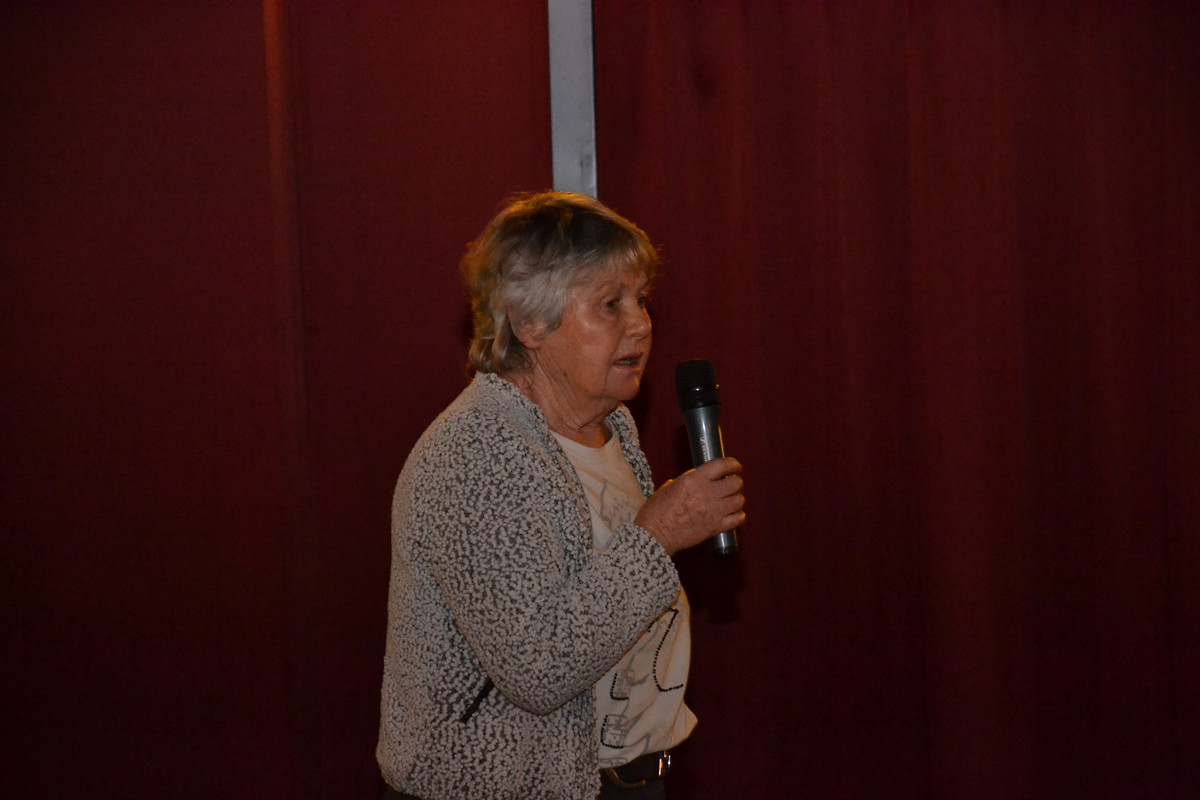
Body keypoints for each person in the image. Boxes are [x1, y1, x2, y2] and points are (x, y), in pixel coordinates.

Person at [377, 191, 745, 800]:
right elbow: (538, 667)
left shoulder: (612, 427)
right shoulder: (478, 452)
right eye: (611, 304)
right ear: (530, 323)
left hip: (623, 782)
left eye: (641, 299)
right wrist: (658, 536)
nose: (641, 324)